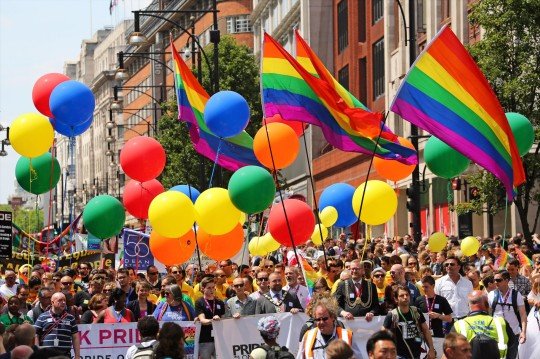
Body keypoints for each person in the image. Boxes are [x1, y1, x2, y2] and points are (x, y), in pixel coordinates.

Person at [454, 290, 515, 359]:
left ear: (469, 305)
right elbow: (511, 342)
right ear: (487, 304)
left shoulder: (459, 325)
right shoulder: (500, 322)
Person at [382, 285, 436, 359]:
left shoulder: (417, 312)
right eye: (401, 295)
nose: (405, 297)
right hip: (399, 356)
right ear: (396, 299)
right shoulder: (392, 315)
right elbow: (382, 336)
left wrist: (431, 349)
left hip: (416, 355)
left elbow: (426, 330)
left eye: (407, 295)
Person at [488, 270, 526, 359]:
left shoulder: (516, 295)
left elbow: (523, 315)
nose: (496, 282)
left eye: (498, 280)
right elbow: (488, 314)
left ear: (507, 280)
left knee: (512, 357)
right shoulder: (491, 294)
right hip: (497, 332)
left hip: (514, 332)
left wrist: (523, 332)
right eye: (494, 280)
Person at [33, 292, 80, 358]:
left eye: (64, 300)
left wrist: (77, 356)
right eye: (60, 300)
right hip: (46, 356)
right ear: (52, 302)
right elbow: (35, 334)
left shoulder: (71, 318)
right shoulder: (42, 317)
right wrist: (37, 352)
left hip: (65, 355)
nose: (63, 302)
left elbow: (75, 338)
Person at [195, 276, 226, 359]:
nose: (212, 290)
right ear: (203, 288)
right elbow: (202, 320)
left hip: (219, 339)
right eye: (209, 288)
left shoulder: (220, 302)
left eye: (213, 287)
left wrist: (221, 320)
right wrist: (213, 320)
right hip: (205, 339)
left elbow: (224, 319)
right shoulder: (199, 302)